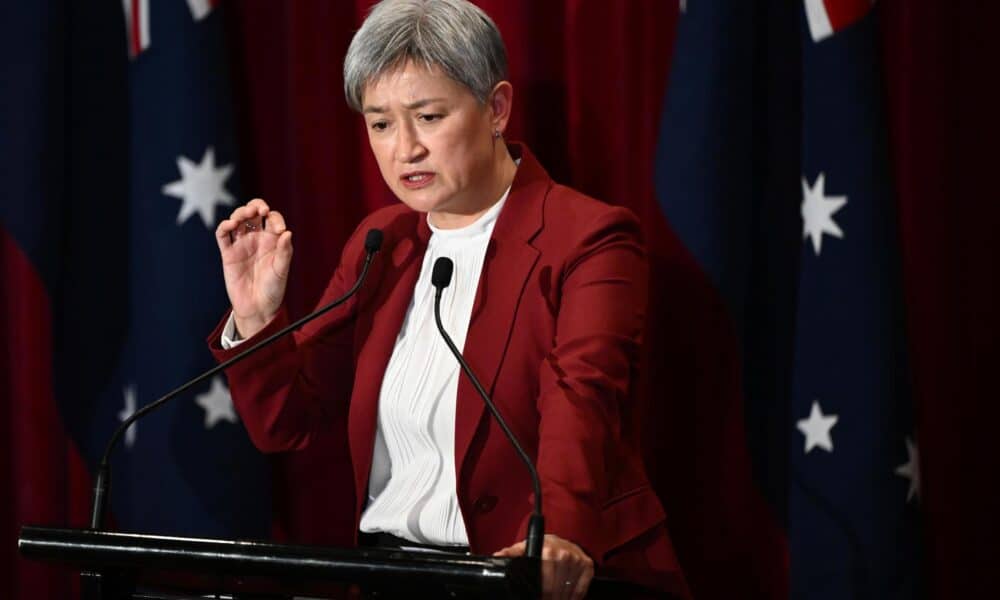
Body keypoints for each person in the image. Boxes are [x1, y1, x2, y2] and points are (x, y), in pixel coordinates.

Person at [209, 1, 688, 598]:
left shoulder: (586, 238)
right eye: (380, 123)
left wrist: (557, 538)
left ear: (496, 108)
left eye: (428, 116)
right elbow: (287, 423)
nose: (404, 148)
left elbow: (582, 402)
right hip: (395, 578)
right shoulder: (381, 244)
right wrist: (257, 319)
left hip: (537, 578)